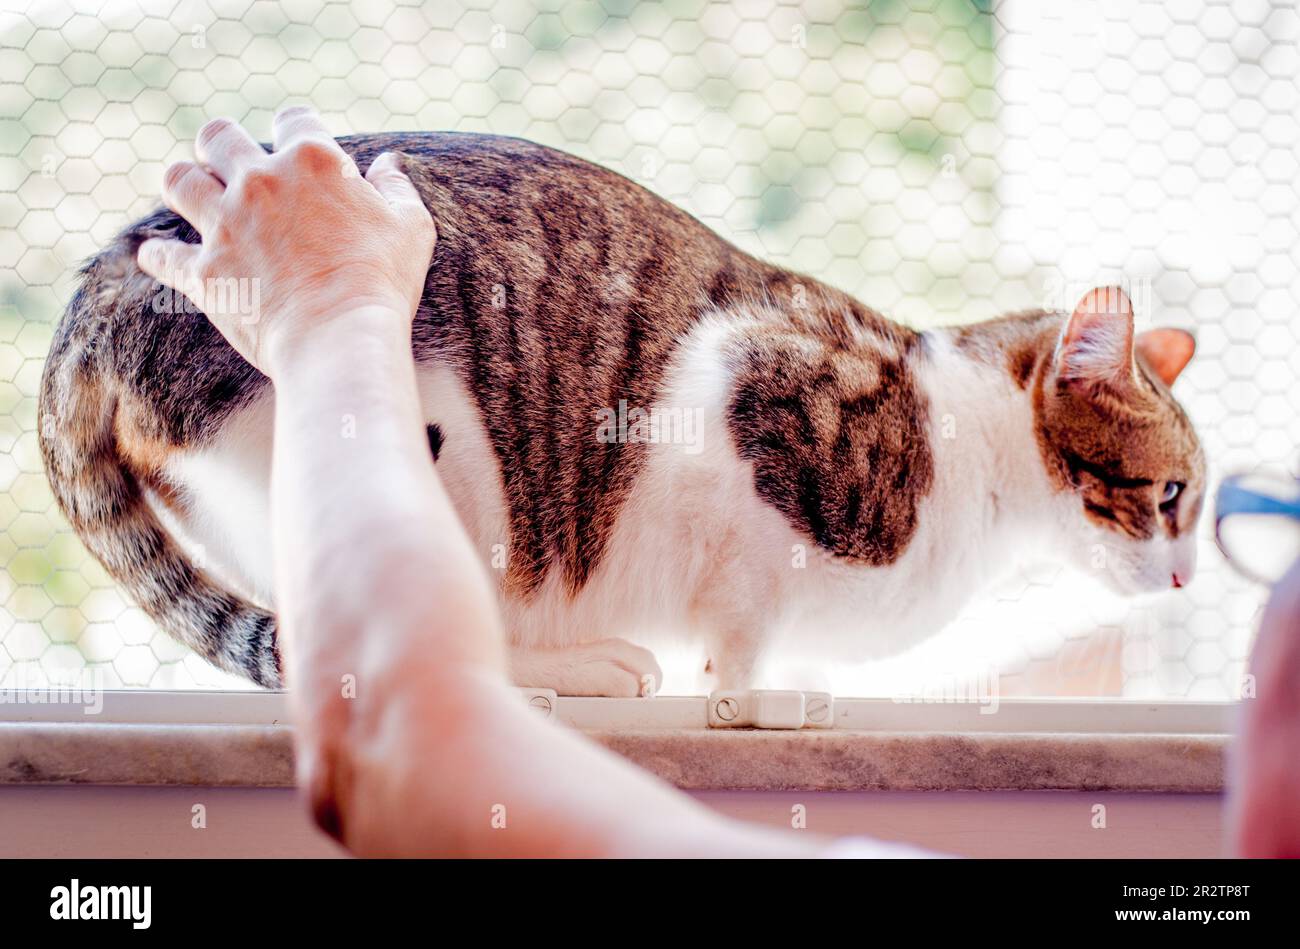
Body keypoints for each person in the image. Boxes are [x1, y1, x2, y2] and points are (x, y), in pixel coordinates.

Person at [139, 106, 1295, 858]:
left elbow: (388, 749)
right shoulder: (901, 419)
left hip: (293, 319)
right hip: (210, 362)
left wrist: (336, 311)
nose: (1208, 579)